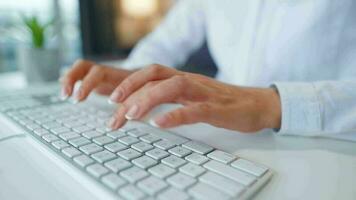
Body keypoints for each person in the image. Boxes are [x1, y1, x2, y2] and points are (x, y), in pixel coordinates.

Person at [60, 0, 356, 141]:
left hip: (331, 147)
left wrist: (271, 104)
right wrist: (134, 75)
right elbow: (162, 44)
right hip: (225, 144)